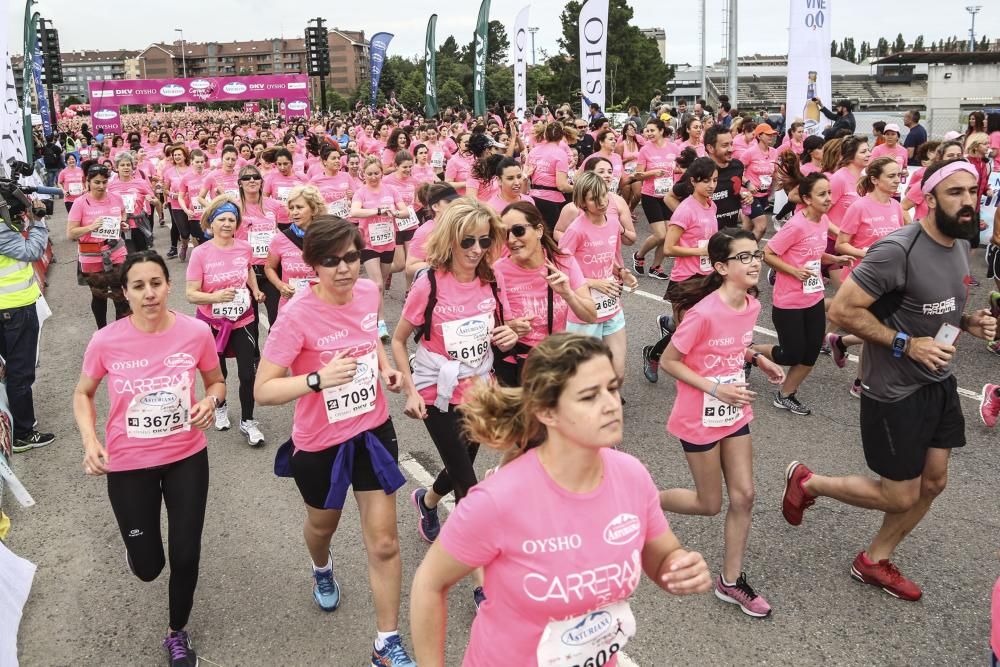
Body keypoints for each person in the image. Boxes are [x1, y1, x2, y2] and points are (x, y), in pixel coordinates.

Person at [410, 333, 712, 666]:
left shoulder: (631, 475)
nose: (611, 404)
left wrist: (678, 567)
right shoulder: (498, 502)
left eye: (611, 389)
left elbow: (662, 554)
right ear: (547, 413)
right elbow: (429, 584)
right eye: (588, 396)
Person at [782, 159, 998, 601]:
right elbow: (840, 311)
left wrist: (968, 321)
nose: (967, 202)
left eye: (972, 192)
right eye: (955, 192)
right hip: (893, 389)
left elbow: (936, 307)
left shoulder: (959, 244)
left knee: (934, 482)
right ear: (928, 197)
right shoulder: (897, 249)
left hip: (938, 380)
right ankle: (808, 483)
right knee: (900, 496)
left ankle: (874, 560)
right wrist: (906, 344)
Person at [253, 218, 417, 667]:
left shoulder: (367, 291)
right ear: (312, 265)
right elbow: (263, 390)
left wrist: (385, 369)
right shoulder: (297, 315)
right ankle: (321, 568)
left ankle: (386, 643)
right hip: (320, 441)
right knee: (322, 527)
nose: (344, 269)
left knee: (384, 543)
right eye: (330, 261)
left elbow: (369, 337)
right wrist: (316, 380)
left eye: (350, 257)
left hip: (371, 430)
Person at [73, 251, 226, 667]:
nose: (149, 293)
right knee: (148, 568)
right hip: (127, 464)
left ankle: (177, 632)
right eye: (138, 286)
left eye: (156, 283)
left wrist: (211, 400)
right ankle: (138, 552)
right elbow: (83, 393)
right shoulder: (106, 340)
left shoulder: (195, 332)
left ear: (168, 285)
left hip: (186, 456)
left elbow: (215, 381)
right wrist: (90, 442)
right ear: (125, 293)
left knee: (186, 554)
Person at [391, 199, 518, 608]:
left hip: (480, 390)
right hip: (437, 392)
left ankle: (426, 500)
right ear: (450, 240)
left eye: (485, 240)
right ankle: (485, 586)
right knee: (469, 485)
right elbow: (398, 339)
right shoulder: (430, 282)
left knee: (463, 459)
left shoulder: (492, 281)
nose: (477, 248)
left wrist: (511, 334)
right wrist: (410, 391)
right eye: (468, 240)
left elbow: (501, 329)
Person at [658, 229, 785, 618]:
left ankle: (730, 582)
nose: (754, 262)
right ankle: (640, 501)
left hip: (733, 412)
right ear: (721, 267)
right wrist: (715, 388)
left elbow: (731, 344)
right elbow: (669, 361)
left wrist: (756, 358)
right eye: (743, 257)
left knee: (744, 495)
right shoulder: (703, 312)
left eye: (756, 254)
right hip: (699, 415)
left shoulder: (750, 305)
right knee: (709, 503)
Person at [764, 173, 853, 416]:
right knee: (791, 353)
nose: (828, 199)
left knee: (811, 350)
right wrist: (793, 271)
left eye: (829, 193)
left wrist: (834, 258)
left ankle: (785, 394)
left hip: (813, 297)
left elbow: (813, 252)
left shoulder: (822, 221)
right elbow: (768, 253)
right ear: (807, 198)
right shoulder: (795, 225)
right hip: (789, 301)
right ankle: (750, 352)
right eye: (822, 194)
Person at [185, 197, 267, 446]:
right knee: (218, 374)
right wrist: (215, 297)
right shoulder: (200, 253)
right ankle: (220, 406)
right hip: (212, 323)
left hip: (243, 319)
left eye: (232, 220)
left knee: (247, 373)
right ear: (211, 222)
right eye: (222, 219)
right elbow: (190, 294)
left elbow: (248, 269)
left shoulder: (244, 247)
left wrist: (255, 290)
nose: (227, 224)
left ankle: (248, 421)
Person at [492, 201, 595, 385]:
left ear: (539, 230)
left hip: (555, 360)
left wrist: (568, 294)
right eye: (505, 233)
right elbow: (486, 323)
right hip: (516, 366)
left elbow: (590, 315)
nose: (511, 240)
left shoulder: (563, 261)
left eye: (518, 230)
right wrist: (509, 328)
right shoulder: (498, 271)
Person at [829, 158, 908, 396]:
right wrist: (866, 252)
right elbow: (841, 245)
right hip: (863, 279)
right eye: (891, 176)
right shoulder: (859, 207)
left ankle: (841, 342)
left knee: (881, 328)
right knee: (875, 331)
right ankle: (860, 382)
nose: (897, 181)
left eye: (898, 176)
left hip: (891, 278)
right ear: (874, 179)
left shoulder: (895, 206)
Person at [559, 173, 638, 392]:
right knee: (584, 378)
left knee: (617, 374)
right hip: (584, 311)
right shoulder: (576, 230)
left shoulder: (613, 223)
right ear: (582, 202)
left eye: (604, 196)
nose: (602, 202)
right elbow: (561, 267)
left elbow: (607, 257)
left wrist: (622, 272)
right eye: (594, 198)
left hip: (611, 307)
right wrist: (593, 283)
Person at [1, 188, 55, 453]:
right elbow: (32, 250)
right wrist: (37, 221)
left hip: (9, 309)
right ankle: (23, 432)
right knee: (20, 371)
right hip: (15, 309)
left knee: (11, 371)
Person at [349, 157, 409, 341]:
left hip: (388, 242)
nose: (373, 177)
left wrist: (396, 213)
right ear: (363, 174)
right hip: (369, 243)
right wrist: (377, 211)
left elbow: (405, 211)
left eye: (376, 173)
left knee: (381, 284)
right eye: (369, 174)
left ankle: (373, 312)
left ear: (382, 173)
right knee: (378, 284)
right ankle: (380, 322)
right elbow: (355, 212)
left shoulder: (391, 190)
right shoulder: (361, 192)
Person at [67, 162, 131, 329]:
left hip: (115, 249)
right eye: (97, 182)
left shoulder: (115, 198)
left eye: (104, 182)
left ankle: (121, 332)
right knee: (99, 296)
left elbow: (122, 212)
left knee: (121, 295)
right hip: (91, 254)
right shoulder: (80, 203)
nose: (101, 186)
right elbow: (71, 233)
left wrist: (122, 223)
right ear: (88, 182)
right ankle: (102, 332)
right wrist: (90, 227)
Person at [631, 118, 681, 280]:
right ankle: (639, 255)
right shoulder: (645, 150)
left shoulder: (674, 148)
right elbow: (637, 175)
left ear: (661, 131)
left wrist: (681, 169)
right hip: (650, 195)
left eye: (652, 130)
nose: (649, 133)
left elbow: (679, 167)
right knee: (661, 235)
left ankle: (656, 267)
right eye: (647, 130)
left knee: (668, 235)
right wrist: (653, 173)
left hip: (668, 196)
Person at [264, 186, 323, 313]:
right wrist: (280, 286)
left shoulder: (328, 236)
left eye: (299, 207)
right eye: (291, 208)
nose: (294, 212)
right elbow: (269, 267)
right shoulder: (280, 239)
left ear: (313, 209)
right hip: (291, 306)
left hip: (321, 306)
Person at [526, 122, 573, 230]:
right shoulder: (560, 153)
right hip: (552, 201)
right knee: (551, 237)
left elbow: (526, 176)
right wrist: (576, 188)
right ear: (562, 136)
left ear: (545, 135)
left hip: (532, 198)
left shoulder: (533, 151)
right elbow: (561, 185)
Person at [739, 124, 779, 240]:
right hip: (749, 195)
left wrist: (778, 185)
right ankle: (750, 251)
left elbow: (775, 172)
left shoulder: (774, 152)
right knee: (761, 227)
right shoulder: (750, 152)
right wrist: (748, 184)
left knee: (748, 226)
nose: (771, 137)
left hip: (764, 195)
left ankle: (736, 251)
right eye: (768, 134)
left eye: (773, 134)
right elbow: (737, 171)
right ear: (759, 136)